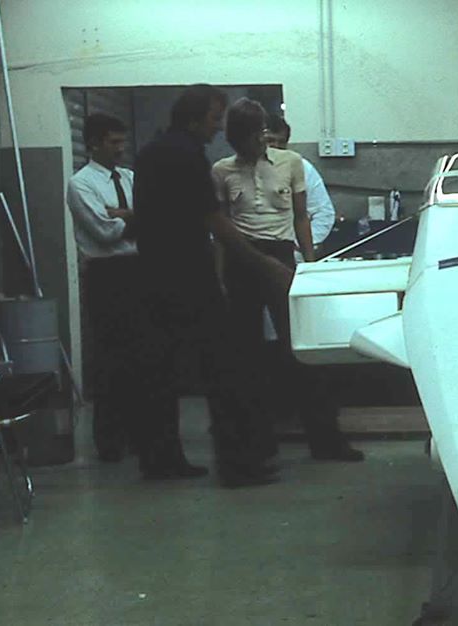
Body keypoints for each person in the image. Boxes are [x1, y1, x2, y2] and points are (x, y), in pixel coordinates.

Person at [133, 84, 291, 486]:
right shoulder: (189, 157)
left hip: (153, 274)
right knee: (226, 371)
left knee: (161, 373)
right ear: (193, 118)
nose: (217, 128)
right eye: (214, 118)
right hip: (188, 277)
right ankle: (239, 466)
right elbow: (215, 221)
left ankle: (161, 460)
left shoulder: (151, 153)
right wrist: (262, 263)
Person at [211, 98, 363, 462]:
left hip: (281, 257)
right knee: (246, 356)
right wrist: (220, 278)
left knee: (301, 349)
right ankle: (257, 445)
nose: (253, 145)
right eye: (243, 140)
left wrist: (308, 267)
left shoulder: (291, 163)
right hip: (241, 259)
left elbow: (301, 217)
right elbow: (221, 228)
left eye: (256, 137)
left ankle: (326, 440)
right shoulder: (221, 170)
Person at [66, 113, 141, 462]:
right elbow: (104, 232)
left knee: (140, 356)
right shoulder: (81, 184)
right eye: (113, 142)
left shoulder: (130, 177)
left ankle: (137, 434)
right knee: (111, 358)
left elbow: (157, 216)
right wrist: (134, 218)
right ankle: (110, 441)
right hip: (106, 275)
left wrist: (122, 214)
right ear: (93, 143)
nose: (121, 149)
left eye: (122, 141)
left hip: (138, 269)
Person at [264, 116, 335, 257]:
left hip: (291, 251)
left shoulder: (301, 167)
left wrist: (301, 244)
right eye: (270, 140)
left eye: (282, 142)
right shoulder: (242, 169)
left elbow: (324, 213)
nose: (276, 146)